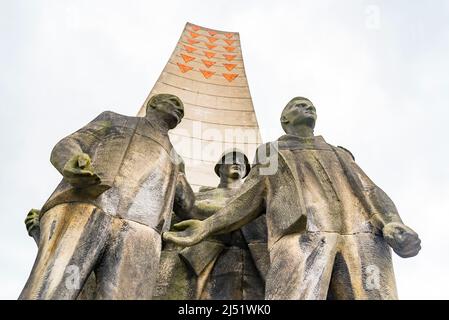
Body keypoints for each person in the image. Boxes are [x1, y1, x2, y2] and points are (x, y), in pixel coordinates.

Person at [164, 96, 421, 300]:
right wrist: (206, 227)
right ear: (284, 119)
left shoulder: (340, 154)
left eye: (310, 105)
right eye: (299, 105)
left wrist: (392, 221)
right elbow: (248, 198)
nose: (307, 107)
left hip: (362, 239)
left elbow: (370, 191)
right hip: (301, 238)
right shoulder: (271, 153)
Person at [20, 93, 194, 300]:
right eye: (174, 103)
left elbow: (190, 207)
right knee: (53, 288)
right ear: (153, 103)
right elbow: (68, 144)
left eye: (182, 109)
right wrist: (72, 162)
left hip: (143, 232)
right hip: (87, 206)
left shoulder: (176, 159)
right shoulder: (113, 120)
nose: (179, 109)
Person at [155, 150, 267, 299]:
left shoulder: (258, 198)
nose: (237, 163)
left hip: (252, 258)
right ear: (219, 168)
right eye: (232, 159)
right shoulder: (200, 195)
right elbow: (181, 216)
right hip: (202, 255)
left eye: (242, 162)